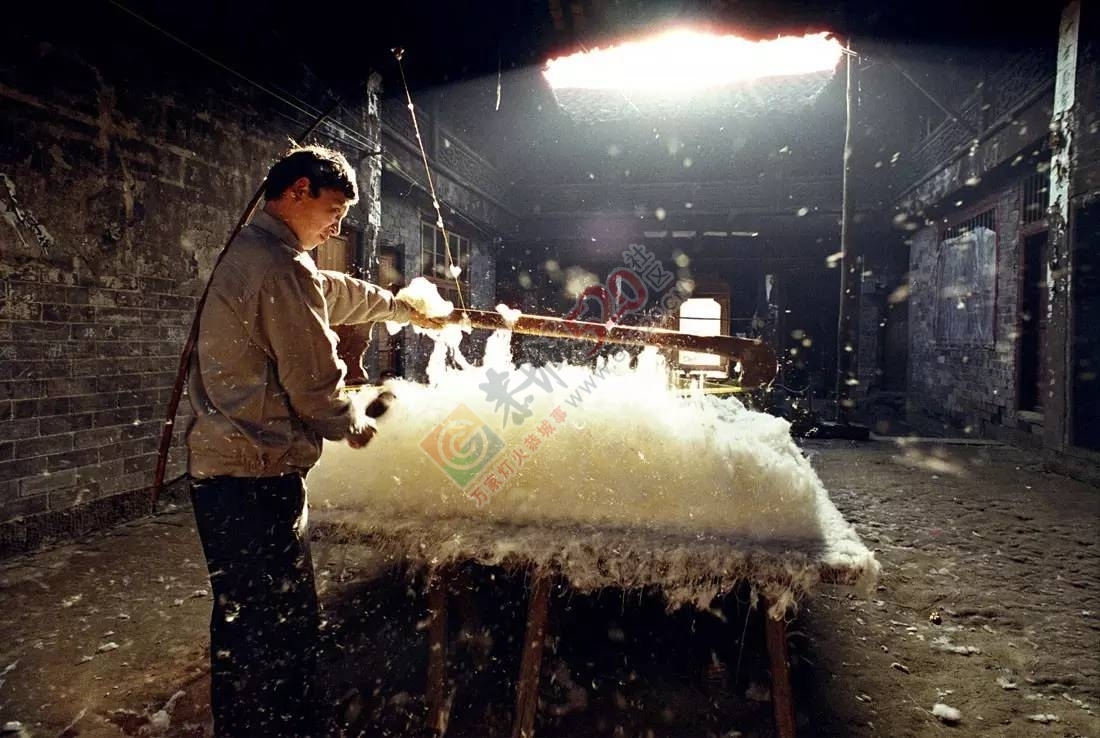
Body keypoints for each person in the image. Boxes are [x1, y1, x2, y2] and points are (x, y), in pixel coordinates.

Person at [186, 144, 441, 736]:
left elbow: (327, 291)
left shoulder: (258, 250)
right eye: (333, 209)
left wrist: (397, 308)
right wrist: (351, 422)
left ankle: (245, 724)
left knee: (241, 618)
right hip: (256, 477)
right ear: (297, 190)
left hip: (223, 473)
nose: (337, 225)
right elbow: (314, 382)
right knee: (281, 629)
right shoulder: (279, 266)